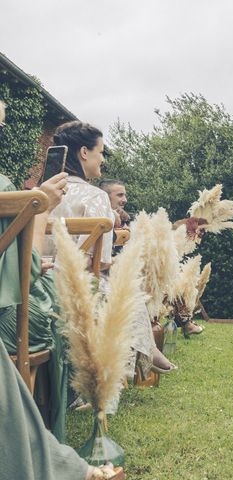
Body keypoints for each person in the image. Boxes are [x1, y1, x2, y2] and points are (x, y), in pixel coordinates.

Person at [0, 100, 123, 480]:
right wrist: (38, 209)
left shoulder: (30, 187)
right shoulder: (87, 198)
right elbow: (29, 271)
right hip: (32, 298)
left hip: (46, 285)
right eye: (101, 152)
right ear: (85, 152)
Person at [44, 121, 175, 378]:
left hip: (39, 280)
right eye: (101, 152)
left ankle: (146, 350)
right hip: (76, 285)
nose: (102, 159)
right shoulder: (95, 196)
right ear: (84, 152)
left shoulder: (41, 193)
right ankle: (141, 354)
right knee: (125, 291)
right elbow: (101, 262)